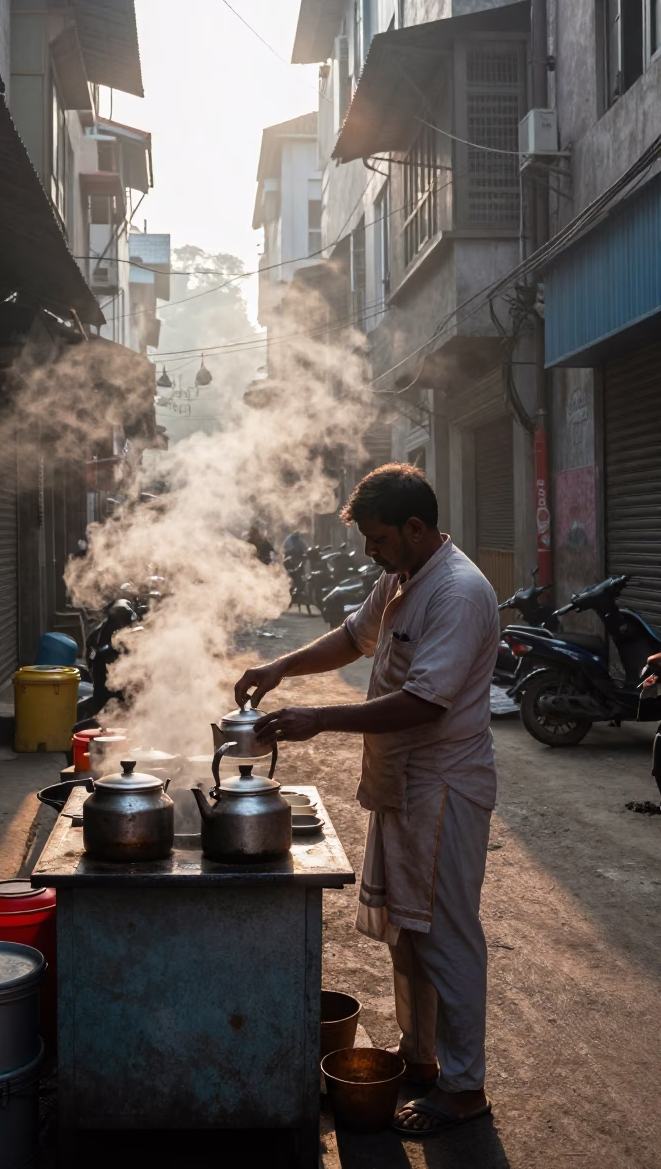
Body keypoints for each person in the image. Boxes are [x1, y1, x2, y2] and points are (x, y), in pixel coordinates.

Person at [234, 464, 499, 1139]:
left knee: (448, 936)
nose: (367, 552)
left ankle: (466, 1089)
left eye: (377, 538)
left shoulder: (459, 592)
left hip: (443, 788)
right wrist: (280, 667)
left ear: (415, 528)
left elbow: (423, 701)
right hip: (403, 785)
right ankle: (422, 1059)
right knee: (411, 936)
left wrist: (318, 718)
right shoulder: (400, 577)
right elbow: (355, 639)